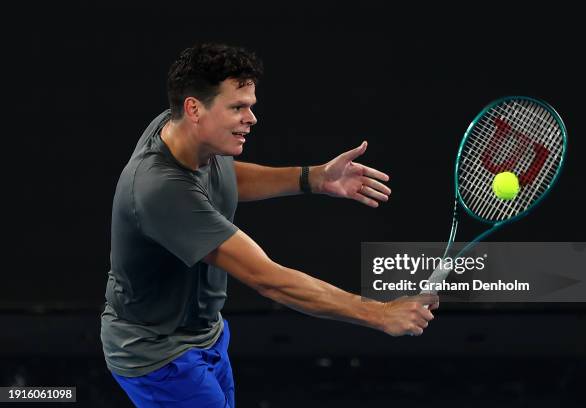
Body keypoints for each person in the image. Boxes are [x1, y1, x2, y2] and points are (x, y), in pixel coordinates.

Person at [101, 42, 438, 408]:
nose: (251, 118)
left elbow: (225, 180)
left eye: (250, 106)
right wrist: (379, 312)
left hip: (206, 334)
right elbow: (269, 279)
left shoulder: (182, 133)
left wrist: (314, 178)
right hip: (158, 356)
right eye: (238, 108)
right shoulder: (160, 190)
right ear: (194, 108)